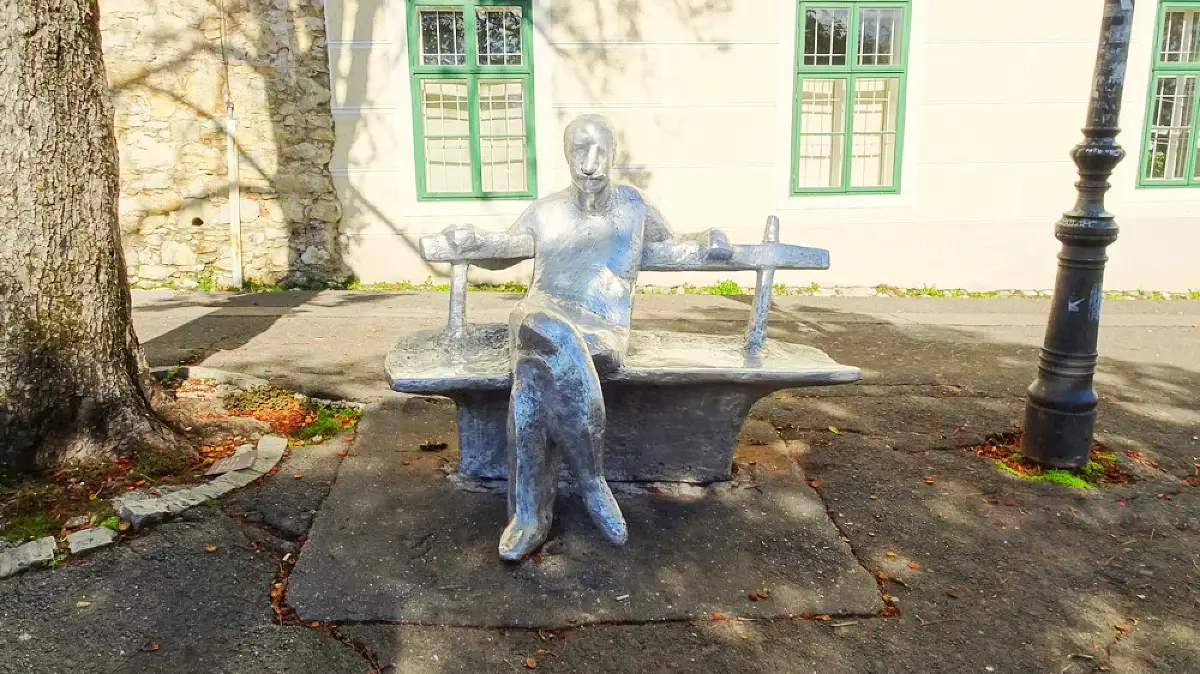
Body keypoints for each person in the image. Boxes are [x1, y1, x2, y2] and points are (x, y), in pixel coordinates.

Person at [445, 114, 731, 560]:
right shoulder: (546, 211)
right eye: (580, 151)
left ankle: (530, 516)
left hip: (600, 329)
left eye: (599, 151)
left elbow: (675, 243)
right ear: (567, 155)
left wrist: (711, 238)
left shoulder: (633, 206)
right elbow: (504, 249)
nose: (590, 163)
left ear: (612, 154)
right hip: (538, 316)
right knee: (545, 332)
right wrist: (472, 239)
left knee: (534, 379)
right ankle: (591, 481)